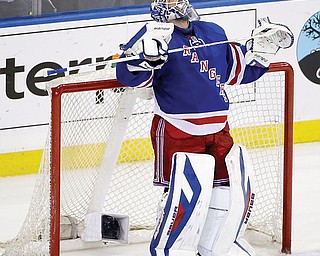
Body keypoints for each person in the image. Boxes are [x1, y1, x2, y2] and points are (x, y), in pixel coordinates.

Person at [116, 1, 293, 255]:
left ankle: (212, 247)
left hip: (219, 130)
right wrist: (144, 60)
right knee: (182, 195)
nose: (175, 3)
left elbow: (235, 70)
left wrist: (258, 53)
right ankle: (173, 248)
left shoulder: (213, 31)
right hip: (178, 130)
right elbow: (129, 75)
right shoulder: (154, 36)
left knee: (226, 192)